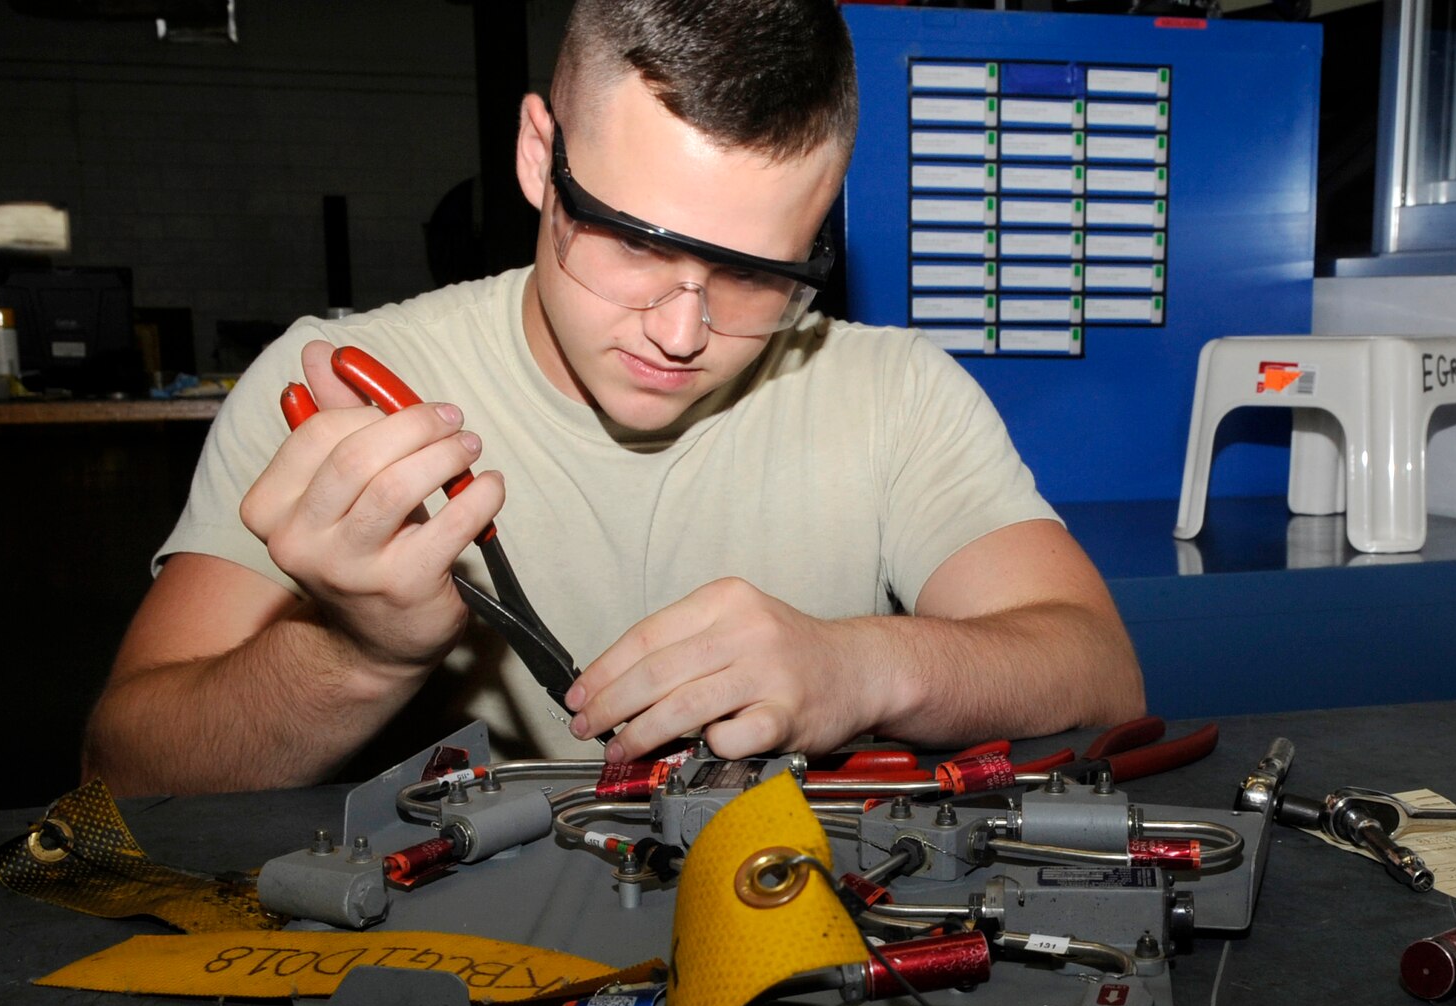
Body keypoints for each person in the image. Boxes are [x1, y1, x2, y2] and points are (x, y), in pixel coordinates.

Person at [82, 0, 1144, 795]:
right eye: (635, 243)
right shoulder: (328, 390)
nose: (682, 332)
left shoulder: (895, 393)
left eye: (752, 272)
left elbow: (1098, 671)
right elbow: (122, 770)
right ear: (540, 156)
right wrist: (352, 653)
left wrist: (860, 663)